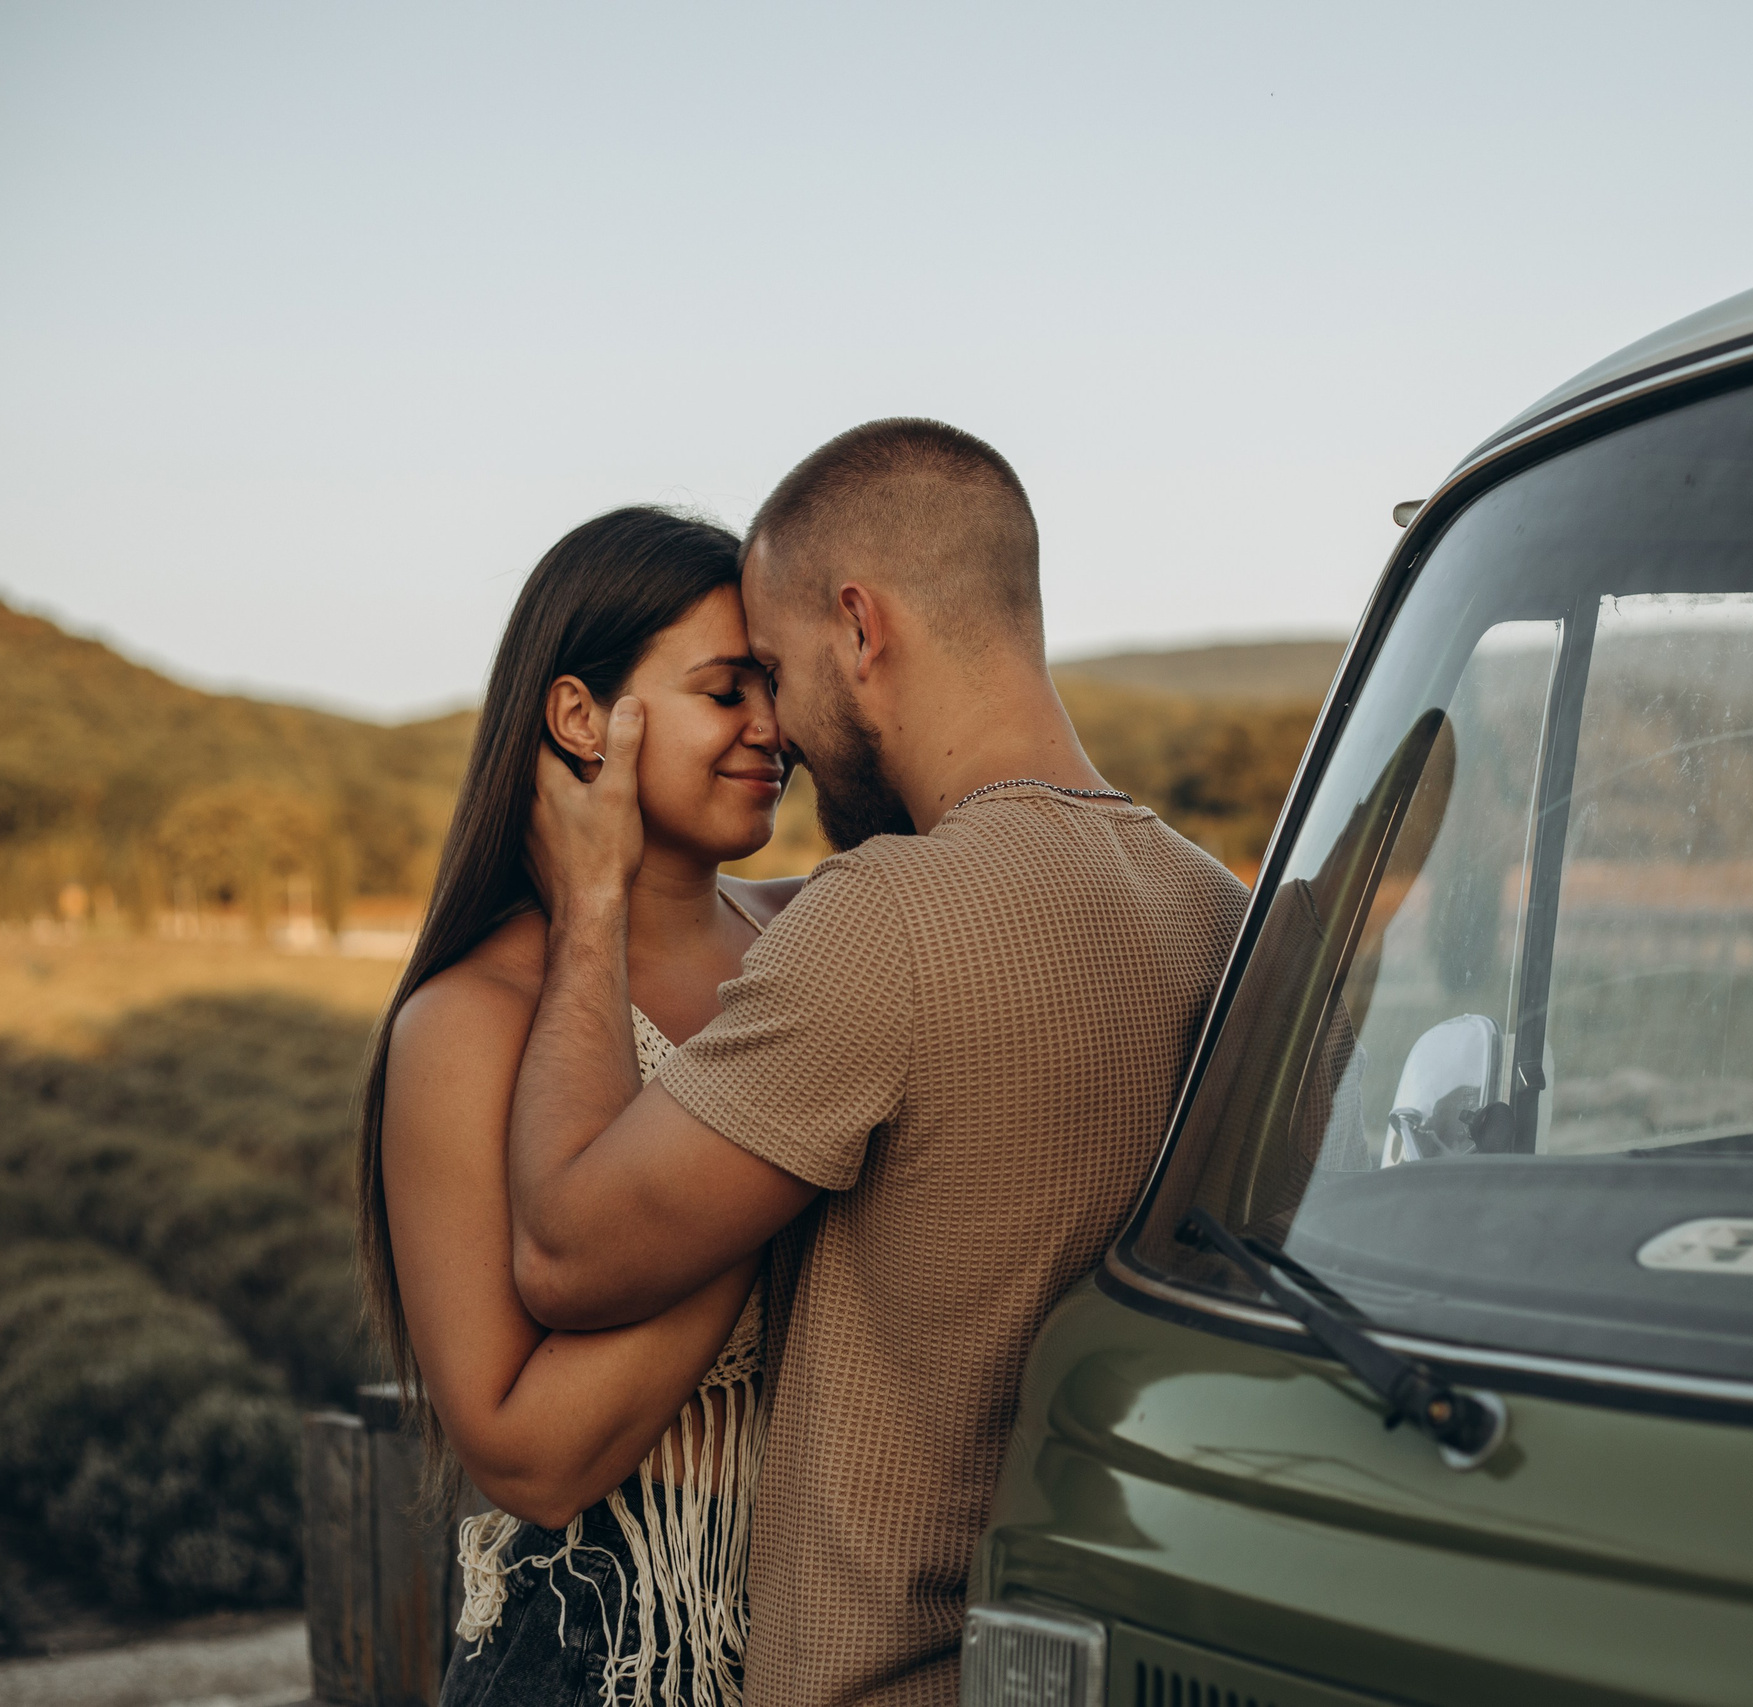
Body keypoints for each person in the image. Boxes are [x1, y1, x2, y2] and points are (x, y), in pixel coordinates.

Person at [506, 419, 1254, 1707]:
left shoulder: (890, 913)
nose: (778, 732)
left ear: (861, 630)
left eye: (779, 672)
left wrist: (587, 909)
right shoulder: (1220, 916)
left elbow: (569, 1254)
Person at [354, 505, 799, 1707]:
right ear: (579, 717)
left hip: (835, 1637)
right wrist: (775, 1161)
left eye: (778, 684)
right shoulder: (466, 1022)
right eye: (726, 690)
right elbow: (528, 1458)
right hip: (598, 1642)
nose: (775, 727)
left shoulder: (819, 941)